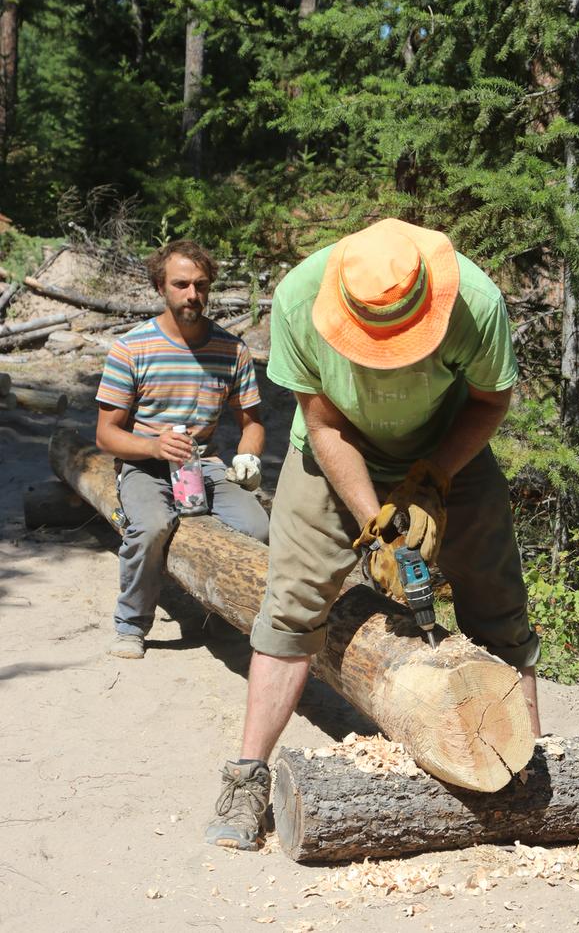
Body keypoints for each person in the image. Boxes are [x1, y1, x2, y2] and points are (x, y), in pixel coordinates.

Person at [205, 217, 541, 850]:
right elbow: (322, 420)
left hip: (448, 451)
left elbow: (490, 402)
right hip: (330, 451)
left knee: (498, 602)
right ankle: (246, 777)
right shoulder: (299, 300)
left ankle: (527, 777)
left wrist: (433, 479)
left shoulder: (476, 300)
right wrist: (375, 521)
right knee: (293, 606)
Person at [95, 239, 270, 659]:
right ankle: (131, 624)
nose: (193, 295)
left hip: (203, 464)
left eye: (201, 285)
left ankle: (224, 616)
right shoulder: (131, 348)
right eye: (181, 284)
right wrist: (154, 447)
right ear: (161, 286)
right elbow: (105, 435)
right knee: (152, 527)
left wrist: (248, 456)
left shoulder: (231, 349)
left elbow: (252, 422)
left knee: (259, 528)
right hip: (144, 464)